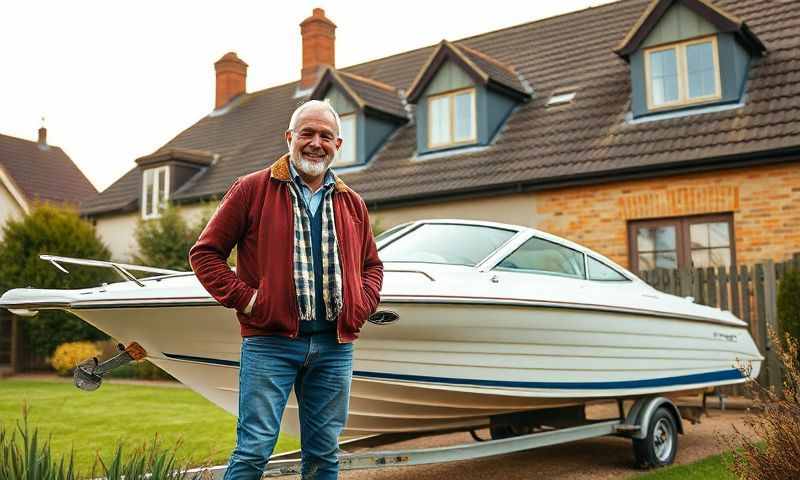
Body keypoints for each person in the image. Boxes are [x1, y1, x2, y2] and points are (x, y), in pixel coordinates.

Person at [189, 100, 384, 480]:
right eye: (307, 133)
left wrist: (360, 304)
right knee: (254, 449)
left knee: (324, 453)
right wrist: (249, 300)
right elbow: (205, 254)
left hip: (335, 347)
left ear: (338, 145)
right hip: (270, 343)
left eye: (325, 136)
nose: (315, 143)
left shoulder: (352, 203)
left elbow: (372, 266)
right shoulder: (250, 189)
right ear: (289, 138)